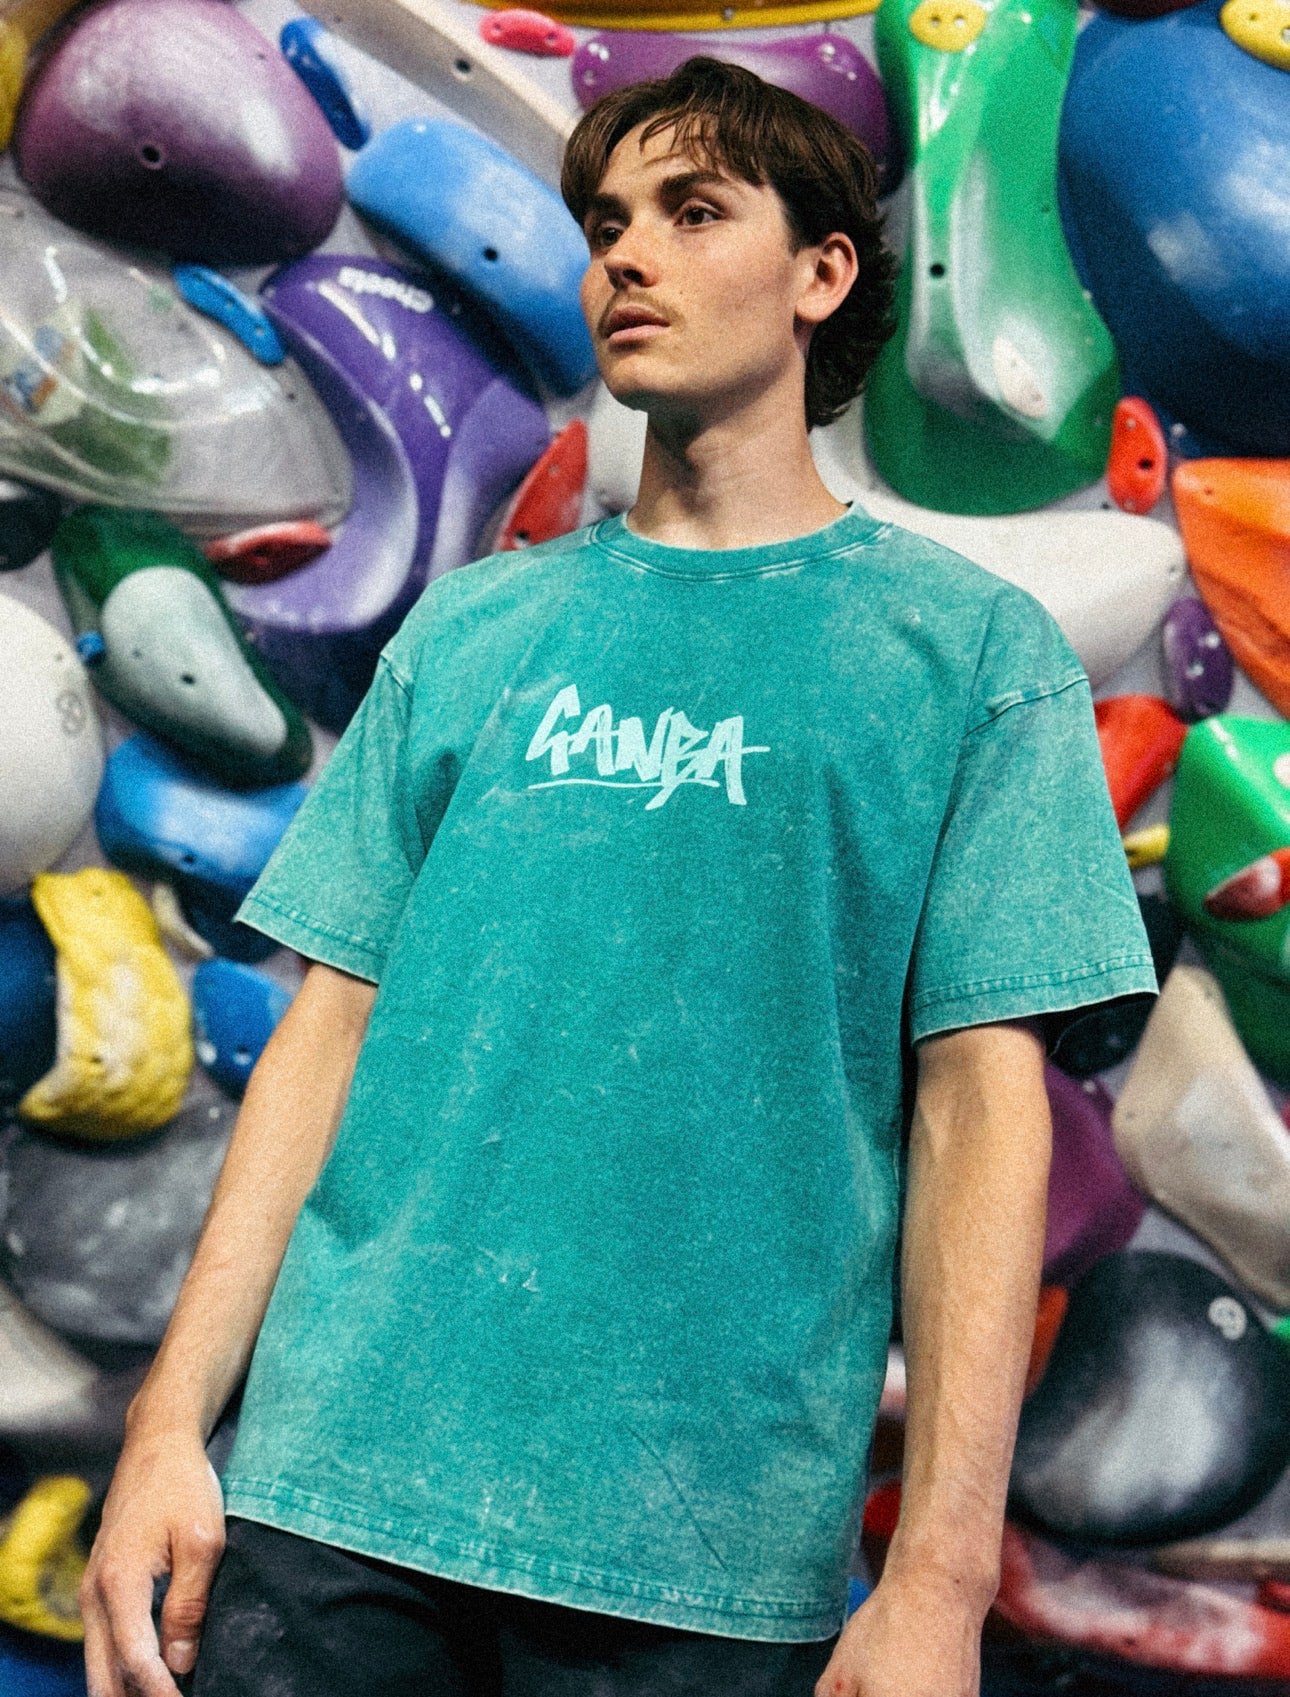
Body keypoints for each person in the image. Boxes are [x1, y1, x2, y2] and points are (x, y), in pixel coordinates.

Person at [79, 56, 1157, 1697]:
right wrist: (168, 1429)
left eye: (691, 211)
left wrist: (938, 1577)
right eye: (604, 224)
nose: (626, 255)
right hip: (329, 1501)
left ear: (820, 273)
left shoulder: (968, 657)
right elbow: (325, 1038)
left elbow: (979, 1112)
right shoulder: (471, 629)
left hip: (700, 1551)